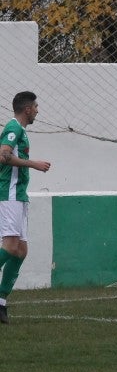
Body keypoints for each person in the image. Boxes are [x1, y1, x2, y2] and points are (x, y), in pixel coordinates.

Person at [0, 92, 51, 324]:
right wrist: (34, 164)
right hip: (8, 196)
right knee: (10, 247)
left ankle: (1, 303)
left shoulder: (22, 131)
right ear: (27, 109)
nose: (38, 110)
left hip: (19, 197)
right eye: (36, 106)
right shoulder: (14, 128)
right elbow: (3, 155)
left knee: (21, 251)